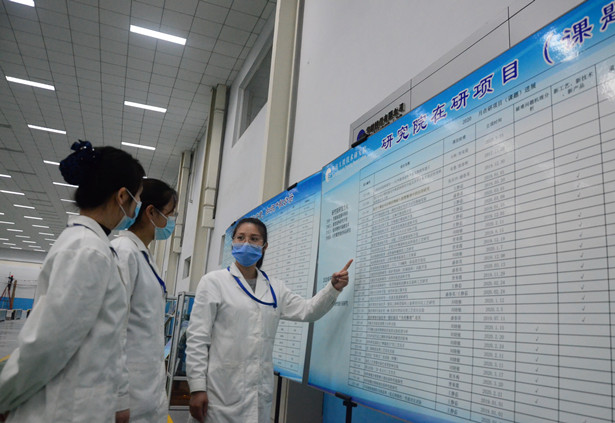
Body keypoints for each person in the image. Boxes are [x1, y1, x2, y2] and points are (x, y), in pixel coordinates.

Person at [0, 140, 145, 423]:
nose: (136, 207)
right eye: (137, 198)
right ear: (121, 196)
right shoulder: (86, 250)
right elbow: (47, 343)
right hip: (62, 409)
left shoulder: (93, 246)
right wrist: (5, 396)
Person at [186, 217, 352, 423]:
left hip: (257, 393)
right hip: (219, 391)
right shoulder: (213, 282)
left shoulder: (275, 288)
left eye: (254, 239)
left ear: (264, 246)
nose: (246, 244)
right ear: (232, 243)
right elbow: (197, 338)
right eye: (240, 238)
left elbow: (308, 310)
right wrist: (197, 388)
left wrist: (333, 288)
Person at [111, 178, 178, 423]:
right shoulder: (124, 252)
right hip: (127, 396)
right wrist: (119, 398)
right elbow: (112, 330)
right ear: (151, 212)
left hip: (146, 390)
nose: (172, 221)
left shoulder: (144, 256)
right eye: (171, 214)